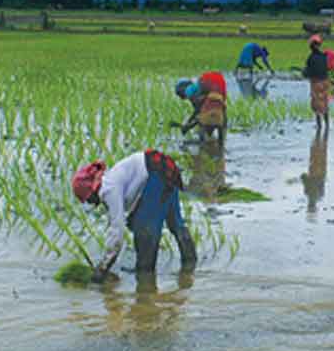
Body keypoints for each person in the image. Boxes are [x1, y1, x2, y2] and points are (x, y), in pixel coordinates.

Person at [71, 149, 197, 282]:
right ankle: (190, 269)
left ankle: (146, 285)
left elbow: (117, 229)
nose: (91, 203)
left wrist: (104, 266)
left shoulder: (108, 190)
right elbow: (134, 201)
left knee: (145, 233)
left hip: (156, 174)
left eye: (88, 199)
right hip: (165, 169)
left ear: (91, 191)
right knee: (176, 224)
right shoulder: (111, 179)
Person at [175, 71, 228, 144]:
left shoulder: (191, 90)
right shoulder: (212, 94)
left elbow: (198, 111)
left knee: (203, 122)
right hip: (220, 82)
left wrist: (188, 124)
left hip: (208, 81)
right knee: (219, 110)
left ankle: (203, 143)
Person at [304, 34, 331, 130]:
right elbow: (326, 69)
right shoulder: (324, 56)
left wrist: (304, 72)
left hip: (316, 83)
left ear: (311, 47)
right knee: (325, 103)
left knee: (316, 105)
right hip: (325, 83)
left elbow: (308, 73)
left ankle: (319, 127)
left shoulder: (311, 58)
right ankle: (327, 126)